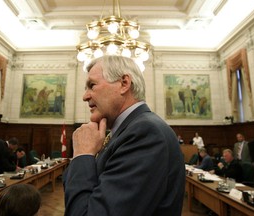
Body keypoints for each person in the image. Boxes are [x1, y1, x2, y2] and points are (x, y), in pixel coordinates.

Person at [63, 55, 185, 216]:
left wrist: (82, 155)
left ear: (124, 84)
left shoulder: (145, 133)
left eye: (92, 85)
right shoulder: (128, 130)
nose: (85, 96)